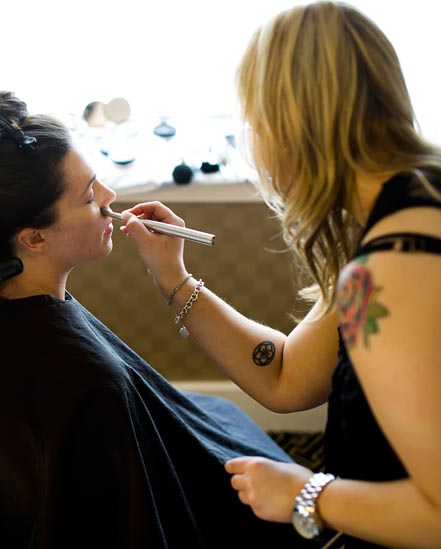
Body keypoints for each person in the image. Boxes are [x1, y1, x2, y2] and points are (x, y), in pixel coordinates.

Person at [0, 90, 311, 548]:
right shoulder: (87, 381)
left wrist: (175, 274)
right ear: (33, 237)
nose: (110, 199)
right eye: (90, 197)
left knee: (219, 415)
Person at [119, 2, 441, 548]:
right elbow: (289, 377)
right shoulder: (409, 209)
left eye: (255, 122)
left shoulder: (386, 272)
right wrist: (171, 274)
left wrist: (308, 492)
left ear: (289, 125)